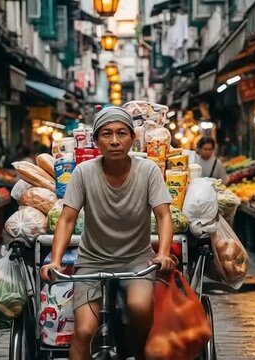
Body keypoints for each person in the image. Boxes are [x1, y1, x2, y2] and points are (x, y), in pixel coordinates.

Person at [40, 106, 176, 359]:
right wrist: (56, 260)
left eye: (122, 133)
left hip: (137, 261)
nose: (114, 141)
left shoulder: (148, 171)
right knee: (84, 331)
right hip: (92, 262)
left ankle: (135, 351)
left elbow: (164, 215)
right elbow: (68, 219)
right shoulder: (83, 172)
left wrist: (164, 254)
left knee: (139, 308)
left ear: (132, 139)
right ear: (96, 141)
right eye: (106, 134)